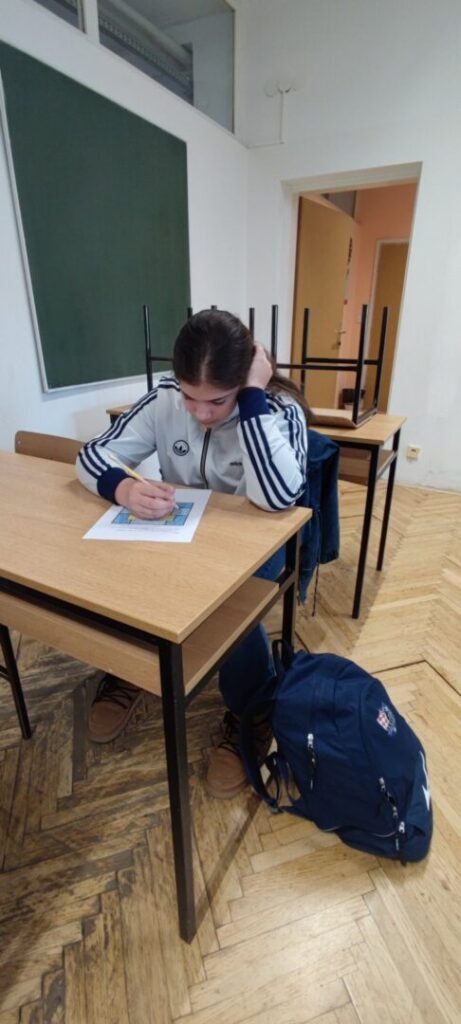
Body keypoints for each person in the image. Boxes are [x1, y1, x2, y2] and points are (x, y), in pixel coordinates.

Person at [76, 309, 309, 797]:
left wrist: (251, 400)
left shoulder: (276, 408)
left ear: (245, 378)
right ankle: (133, 667)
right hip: (182, 534)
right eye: (190, 397)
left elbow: (279, 496)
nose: (201, 413)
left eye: (217, 400)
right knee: (125, 570)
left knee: (228, 601)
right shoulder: (164, 398)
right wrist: (122, 487)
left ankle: (251, 708)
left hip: (256, 544)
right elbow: (92, 454)